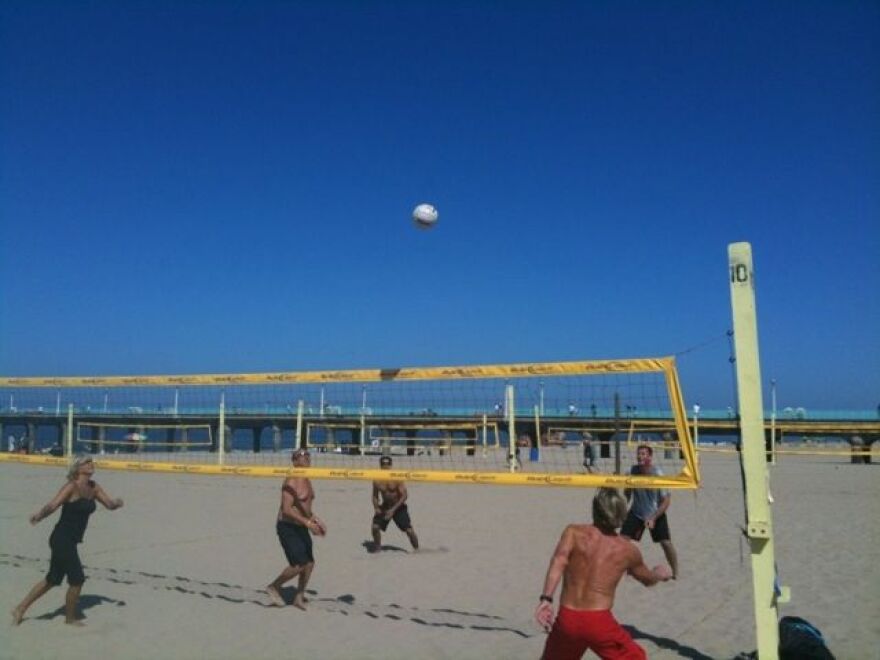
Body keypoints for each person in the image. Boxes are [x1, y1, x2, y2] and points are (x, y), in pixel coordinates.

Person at [535, 488, 672, 659]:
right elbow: (647, 579)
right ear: (622, 514)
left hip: (567, 618)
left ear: (595, 508)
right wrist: (659, 574)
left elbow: (558, 561)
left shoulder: (573, 533)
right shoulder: (627, 550)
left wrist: (546, 599)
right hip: (599, 622)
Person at [12, 455, 124, 626]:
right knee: (77, 579)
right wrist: (39, 516)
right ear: (78, 468)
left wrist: (116, 503)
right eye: (86, 463)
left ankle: (20, 608)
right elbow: (53, 505)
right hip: (61, 538)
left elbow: (108, 504)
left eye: (91, 462)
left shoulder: (94, 487)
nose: (91, 464)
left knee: (52, 579)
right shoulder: (71, 486)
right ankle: (70, 619)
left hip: (71, 540)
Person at [266, 449, 326, 610]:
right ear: (294, 461)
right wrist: (307, 523)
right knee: (298, 564)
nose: (306, 458)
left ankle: (298, 597)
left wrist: (316, 520)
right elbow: (287, 509)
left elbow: (304, 507)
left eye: (308, 455)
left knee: (310, 564)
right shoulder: (291, 480)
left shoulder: (306, 478)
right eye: (301, 456)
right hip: (287, 526)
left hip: (301, 525)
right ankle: (274, 586)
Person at [621, 444, 679, 580]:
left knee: (665, 543)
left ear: (650, 457)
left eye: (643, 454)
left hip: (655, 513)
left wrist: (653, 518)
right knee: (622, 541)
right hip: (636, 512)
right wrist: (623, 509)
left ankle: (675, 572)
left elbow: (666, 501)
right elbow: (628, 493)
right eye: (639, 454)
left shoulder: (658, 474)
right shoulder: (632, 471)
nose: (640, 456)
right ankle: (623, 568)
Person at [370, 455, 418, 552]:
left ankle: (417, 549)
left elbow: (405, 495)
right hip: (386, 506)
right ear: (380, 466)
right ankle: (378, 548)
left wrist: (393, 510)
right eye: (383, 466)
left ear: (391, 465)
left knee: (409, 531)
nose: (385, 467)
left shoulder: (396, 477)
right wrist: (376, 508)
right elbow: (375, 495)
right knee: (375, 528)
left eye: (387, 466)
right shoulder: (377, 479)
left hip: (398, 506)